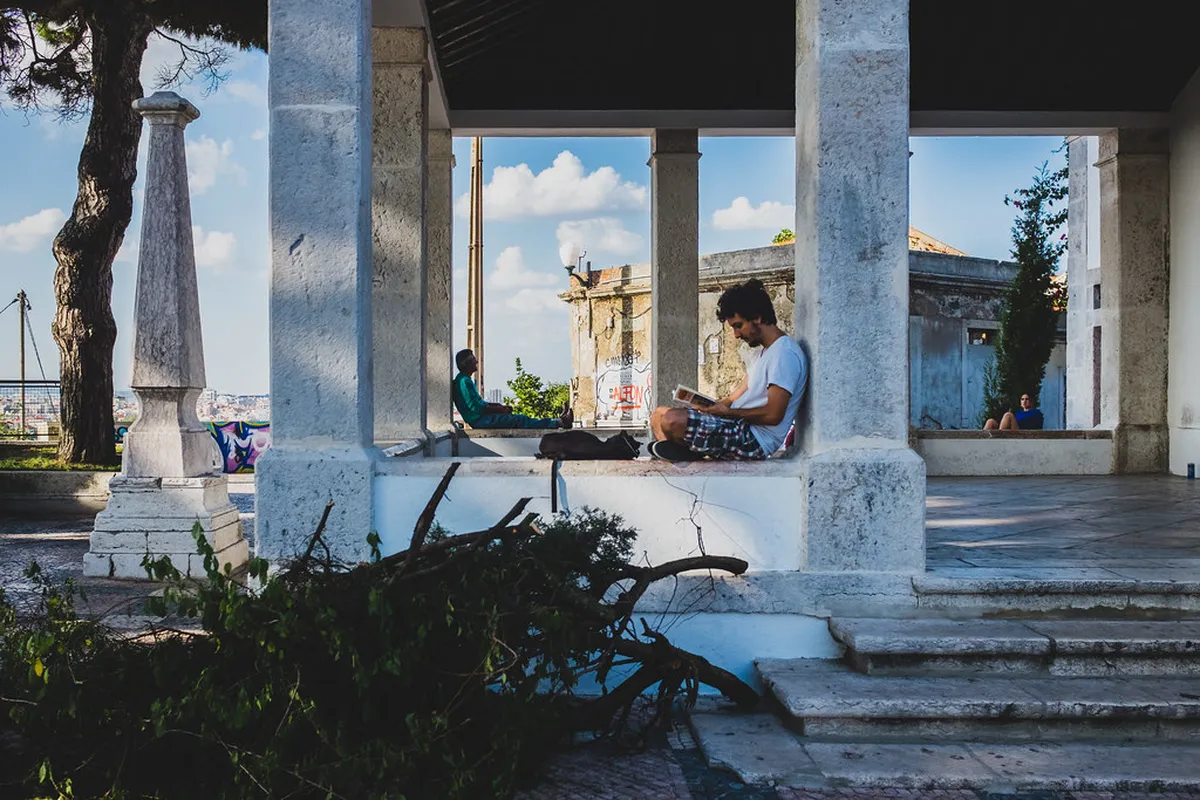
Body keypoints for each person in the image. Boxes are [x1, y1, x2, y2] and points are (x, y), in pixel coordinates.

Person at [647, 279, 807, 460]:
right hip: (737, 425)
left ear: (757, 318)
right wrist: (710, 406)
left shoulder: (784, 354)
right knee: (658, 415)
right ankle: (687, 452)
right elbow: (733, 398)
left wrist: (728, 413)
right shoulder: (763, 354)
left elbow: (773, 414)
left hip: (755, 439)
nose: (737, 335)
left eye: (738, 326)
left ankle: (690, 452)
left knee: (672, 420)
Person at [452, 349, 573, 429]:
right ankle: (559, 423)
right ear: (467, 363)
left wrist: (498, 407)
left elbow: (479, 404)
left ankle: (557, 420)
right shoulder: (464, 381)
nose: (476, 362)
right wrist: (499, 410)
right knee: (520, 420)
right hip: (480, 421)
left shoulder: (464, 380)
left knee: (518, 418)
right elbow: (476, 408)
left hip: (480, 419)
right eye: (473, 360)